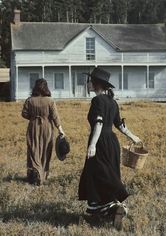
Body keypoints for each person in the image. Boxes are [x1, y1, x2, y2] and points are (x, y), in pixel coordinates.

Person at [78, 67, 141, 230]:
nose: (88, 84)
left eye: (91, 81)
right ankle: (112, 209)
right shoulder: (113, 102)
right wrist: (132, 136)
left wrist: (92, 145)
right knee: (107, 172)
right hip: (112, 143)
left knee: (97, 174)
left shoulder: (97, 101)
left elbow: (98, 123)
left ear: (97, 84)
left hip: (100, 142)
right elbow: (119, 124)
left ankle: (115, 203)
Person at [21, 78, 65, 185]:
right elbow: (55, 117)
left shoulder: (29, 100)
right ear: (46, 87)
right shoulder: (50, 101)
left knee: (33, 149)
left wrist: (33, 118)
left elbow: (24, 114)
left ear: (35, 87)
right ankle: (43, 175)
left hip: (33, 127)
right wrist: (61, 130)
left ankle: (35, 172)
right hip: (47, 127)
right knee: (46, 150)